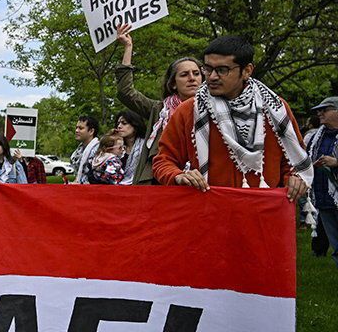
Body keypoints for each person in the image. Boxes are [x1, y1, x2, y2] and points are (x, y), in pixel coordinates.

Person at [153, 36, 311, 200]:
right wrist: (178, 176)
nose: (212, 76)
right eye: (207, 68)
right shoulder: (188, 111)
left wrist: (295, 179)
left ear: (247, 70)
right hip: (210, 212)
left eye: (222, 70)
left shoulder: (276, 109)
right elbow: (163, 161)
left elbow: (294, 161)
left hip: (264, 212)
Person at [114, 23, 203, 184]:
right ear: (173, 83)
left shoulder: (216, 110)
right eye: (184, 74)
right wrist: (128, 47)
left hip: (199, 181)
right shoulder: (159, 110)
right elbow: (125, 92)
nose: (192, 78)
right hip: (158, 182)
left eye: (196, 73)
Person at [305, 96, 338, 267]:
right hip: (324, 198)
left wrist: (336, 162)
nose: (319, 113)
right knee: (336, 245)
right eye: (318, 110)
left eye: (324, 110)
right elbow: (305, 159)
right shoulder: (315, 137)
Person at [111, 110, 148, 186]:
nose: (119, 126)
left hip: (140, 188)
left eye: (124, 123)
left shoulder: (146, 146)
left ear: (135, 125)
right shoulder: (113, 146)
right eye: (118, 123)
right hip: (114, 189)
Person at [68, 115, 101, 184]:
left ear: (91, 131)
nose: (76, 130)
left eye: (80, 128)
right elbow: (79, 175)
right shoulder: (79, 150)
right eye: (76, 128)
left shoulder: (99, 150)